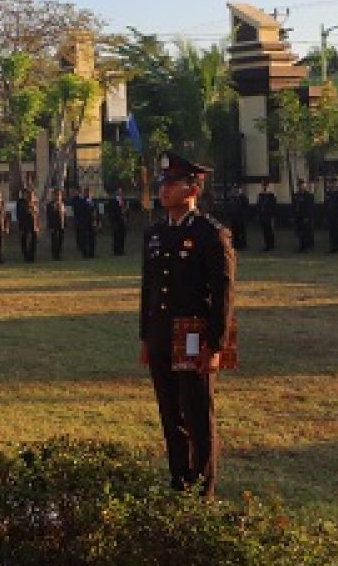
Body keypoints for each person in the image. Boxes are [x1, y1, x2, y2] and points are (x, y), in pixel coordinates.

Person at [139, 152, 235, 497]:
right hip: (161, 333)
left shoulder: (211, 234)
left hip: (194, 333)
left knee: (196, 412)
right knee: (169, 413)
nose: (164, 190)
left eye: (172, 183)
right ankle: (179, 483)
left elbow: (223, 293)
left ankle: (203, 490)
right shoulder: (155, 233)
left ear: (193, 189)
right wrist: (145, 337)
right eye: (162, 183)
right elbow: (149, 289)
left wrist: (217, 343)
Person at [16, 187, 40, 263]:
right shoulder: (21, 203)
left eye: (31, 194)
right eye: (28, 194)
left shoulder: (35, 203)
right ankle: (26, 256)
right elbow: (20, 215)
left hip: (34, 224)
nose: (30, 196)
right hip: (25, 224)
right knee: (25, 241)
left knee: (33, 241)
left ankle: (32, 256)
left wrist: (37, 225)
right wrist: (21, 226)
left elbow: (37, 215)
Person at [291, 178, 316, 253]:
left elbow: (310, 207)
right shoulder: (296, 195)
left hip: (305, 216)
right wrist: (293, 216)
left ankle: (305, 246)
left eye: (302, 185)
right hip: (298, 216)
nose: (301, 186)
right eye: (300, 185)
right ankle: (301, 245)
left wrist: (307, 217)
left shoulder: (308, 195)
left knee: (305, 232)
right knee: (299, 232)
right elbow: (293, 206)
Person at [324, 176, 338, 253]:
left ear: (336, 184)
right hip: (330, 216)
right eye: (331, 183)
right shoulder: (328, 194)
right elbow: (326, 206)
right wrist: (326, 216)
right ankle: (333, 246)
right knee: (331, 232)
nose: (332, 185)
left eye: (334, 183)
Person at [71, 187, 96, 259]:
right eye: (86, 192)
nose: (88, 194)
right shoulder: (80, 201)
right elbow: (78, 210)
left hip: (91, 221)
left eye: (89, 193)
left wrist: (96, 220)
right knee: (84, 238)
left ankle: (91, 253)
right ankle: (85, 253)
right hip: (83, 221)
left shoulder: (92, 201)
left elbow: (96, 209)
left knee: (91, 238)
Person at [255, 181, 278, 253]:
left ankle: (271, 245)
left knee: (270, 230)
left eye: (266, 186)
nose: (264, 187)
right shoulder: (260, 195)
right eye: (263, 186)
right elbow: (258, 205)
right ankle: (266, 244)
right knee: (264, 231)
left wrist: (273, 215)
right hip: (262, 216)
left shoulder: (271, 195)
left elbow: (274, 206)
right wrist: (258, 215)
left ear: (268, 186)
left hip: (269, 216)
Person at [107, 188, 129, 257]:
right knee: (116, 235)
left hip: (123, 220)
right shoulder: (113, 200)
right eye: (119, 192)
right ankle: (116, 250)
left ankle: (121, 250)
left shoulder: (124, 200)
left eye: (121, 192)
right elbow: (112, 211)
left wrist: (125, 216)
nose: (121, 193)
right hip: (116, 221)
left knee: (122, 235)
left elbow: (126, 209)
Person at [46, 190, 68, 260]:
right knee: (54, 240)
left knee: (60, 240)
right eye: (57, 195)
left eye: (59, 195)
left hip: (61, 224)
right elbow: (49, 216)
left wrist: (65, 223)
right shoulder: (50, 204)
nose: (58, 197)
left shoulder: (62, 204)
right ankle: (54, 255)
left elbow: (64, 215)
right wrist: (50, 226)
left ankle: (58, 254)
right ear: (54, 196)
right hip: (54, 225)